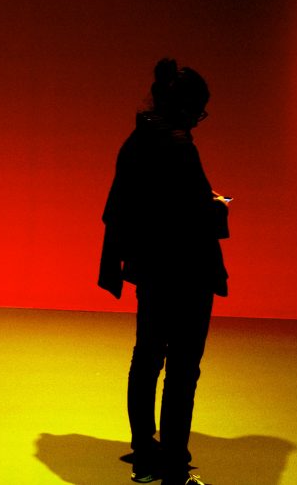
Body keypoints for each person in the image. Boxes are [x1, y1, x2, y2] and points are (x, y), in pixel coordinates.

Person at [98, 58, 230, 485]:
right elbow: (192, 219)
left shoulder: (137, 141)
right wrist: (217, 206)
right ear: (187, 109)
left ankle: (144, 453)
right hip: (187, 272)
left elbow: (127, 207)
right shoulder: (179, 148)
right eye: (199, 110)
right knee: (183, 369)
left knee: (147, 357)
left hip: (151, 269)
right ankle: (174, 468)